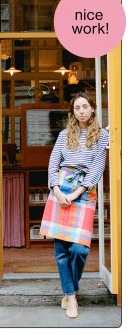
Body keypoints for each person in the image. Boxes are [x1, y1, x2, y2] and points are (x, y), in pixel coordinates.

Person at [40, 92, 109, 318]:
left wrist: (79, 191)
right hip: (61, 191)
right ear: (73, 112)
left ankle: (71, 288)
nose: (81, 111)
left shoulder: (101, 137)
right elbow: (52, 165)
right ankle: (71, 298)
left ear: (92, 109)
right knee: (62, 251)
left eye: (85, 107)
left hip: (84, 192)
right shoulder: (62, 136)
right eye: (77, 108)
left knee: (79, 249)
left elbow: (98, 168)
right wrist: (57, 192)